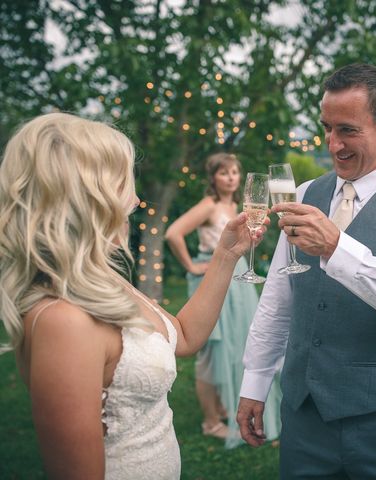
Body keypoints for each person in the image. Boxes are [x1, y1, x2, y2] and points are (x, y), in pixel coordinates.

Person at [0, 112, 267, 479]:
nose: (138, 200)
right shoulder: (63, 320)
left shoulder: (105, 281)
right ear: (88, 196)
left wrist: (226, 255)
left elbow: (184, 337)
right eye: (125, 184)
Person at [236, 63, 376, 479]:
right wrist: (255, 381)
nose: (333, 144)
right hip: (303, 420)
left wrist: (339, 248)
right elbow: (280, 299)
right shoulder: (306, 194)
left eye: (348, 130)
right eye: (327, 128)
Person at [165, 153, 281, 447]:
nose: (231, 177)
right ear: (213, 178)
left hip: (237, 277)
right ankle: (210, 421)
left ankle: (225, 406)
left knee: (235, 343)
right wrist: (192, 266)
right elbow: (173, 233)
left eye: (234, 172)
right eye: (224, 173)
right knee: (211, 348)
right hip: (213, 275)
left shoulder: (236, 206)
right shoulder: (209, 206)